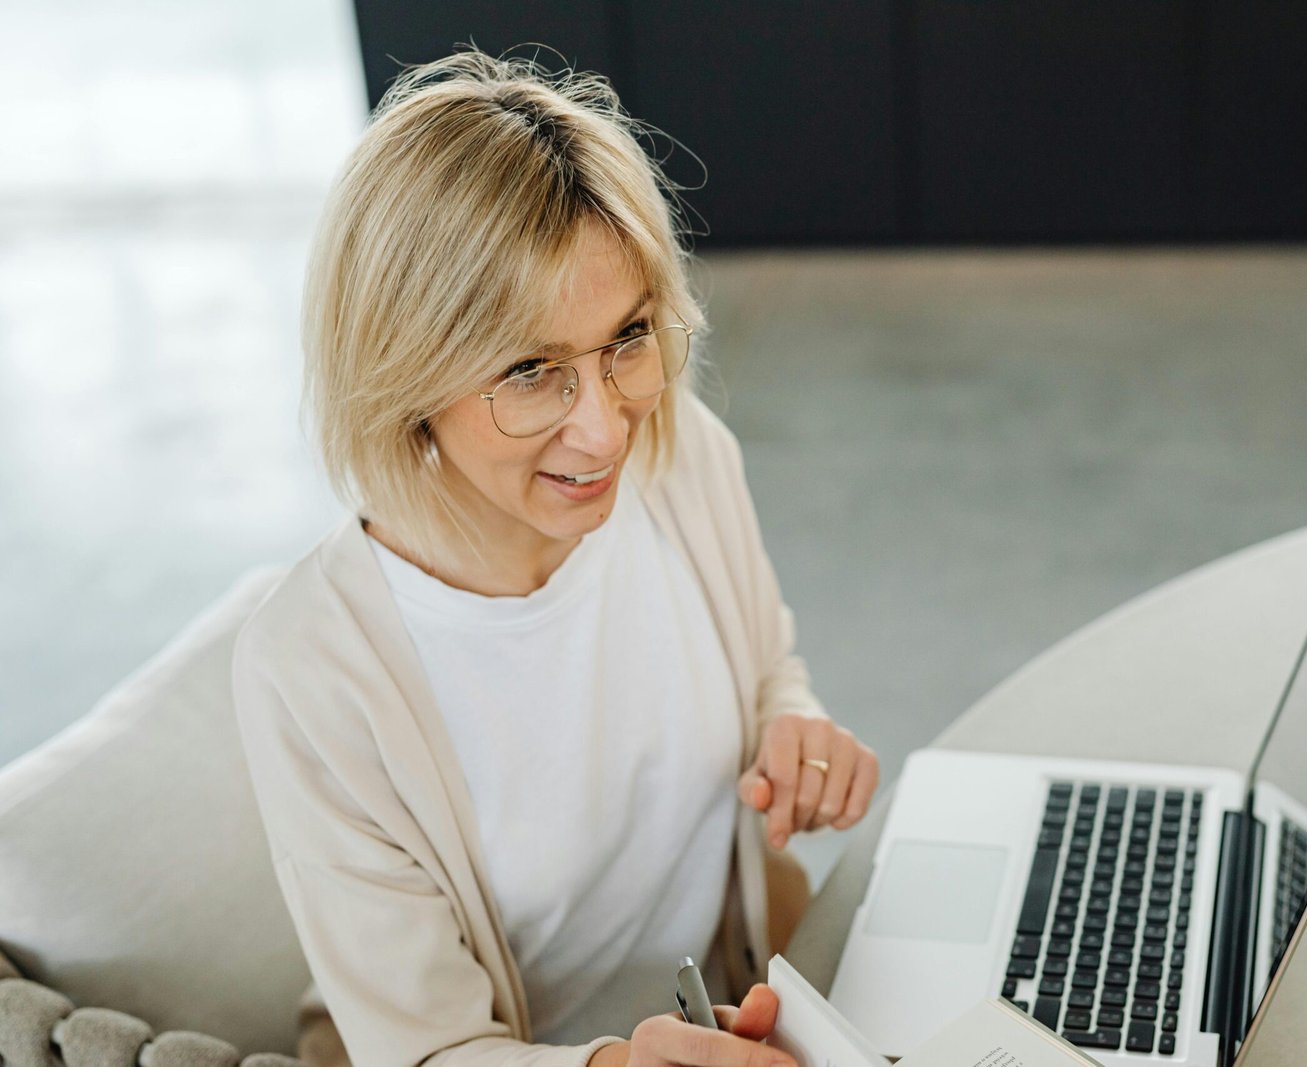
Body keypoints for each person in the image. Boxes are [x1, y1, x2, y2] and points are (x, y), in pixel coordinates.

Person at [232, 48, 879, 1067]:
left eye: (628, 337)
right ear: (404, 375)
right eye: (531, 370)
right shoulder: (313, 667)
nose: (606, 428)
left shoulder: (684, 460)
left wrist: (790, 724)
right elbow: (430, 1048)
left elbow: (768, 668)